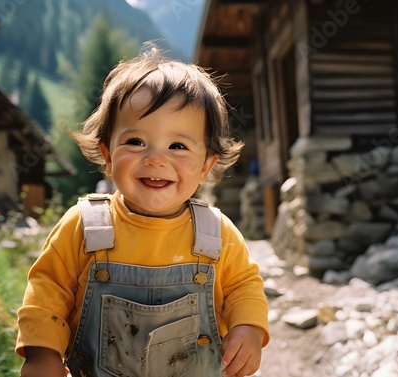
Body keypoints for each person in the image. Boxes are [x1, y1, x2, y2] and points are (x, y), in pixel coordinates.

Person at [15, 43, 269, 377]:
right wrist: (41, 354)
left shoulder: (214, 232)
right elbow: (47, 291)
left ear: (206, 166)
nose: (156, 159)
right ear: (107, 154)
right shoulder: (85, 226)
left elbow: (243, 286)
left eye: (177, 146)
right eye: (136, 142)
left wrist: (249, 328)